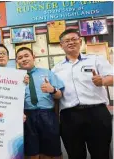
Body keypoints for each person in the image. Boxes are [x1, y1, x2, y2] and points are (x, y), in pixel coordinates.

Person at [52, 29, 113, 159]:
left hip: (97, 114)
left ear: (80, 41)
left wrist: (103, 80)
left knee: (101, 154)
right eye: (66, 41)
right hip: (69, 116)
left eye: (74, 39)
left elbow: (112, 78)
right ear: (61, 45)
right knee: (75, 155)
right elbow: (56, 96)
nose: (71, 42)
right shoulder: (56, 69)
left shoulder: (96, 60)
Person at [16, 47, 64, 159]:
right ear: (17, 61)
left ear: (33, 57)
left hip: (47, 115)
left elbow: (60, 95)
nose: (23, 59)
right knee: (31, 153)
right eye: (20, 58)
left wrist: (52, 90)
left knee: (51, 153)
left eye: (26, 56)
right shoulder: (15, 77)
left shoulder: (47, 73)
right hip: (26, 117)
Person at [0, 44, 27, 122]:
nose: (1, 56)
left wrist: (20, 112)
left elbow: (18, 98)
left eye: (3, 53)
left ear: (8, 58)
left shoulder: (18, 76)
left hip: (12, 116)